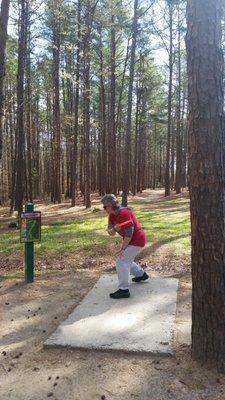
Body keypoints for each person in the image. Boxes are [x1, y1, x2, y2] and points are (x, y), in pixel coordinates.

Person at [101, 194, 149, 299]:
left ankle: (124, 290)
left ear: (110, 206)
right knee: (127, 259)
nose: (104, 209)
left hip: (137, 240)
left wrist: (123, 248)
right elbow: (110, 233)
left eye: (105, 206)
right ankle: (141, 275)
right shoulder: (112, 215)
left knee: (121, 261)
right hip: (130, 241)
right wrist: (114, 229)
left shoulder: (125, 213)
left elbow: (129, 234)